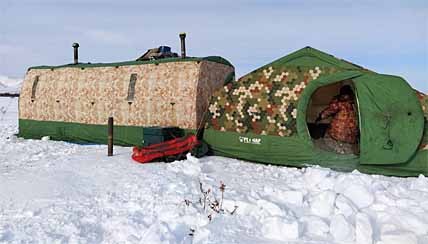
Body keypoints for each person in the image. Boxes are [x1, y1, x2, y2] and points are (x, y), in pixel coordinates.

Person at [315, 85, 358, 154]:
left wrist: (319, 118)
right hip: (351, 136)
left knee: (327, 134)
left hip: (337, 133)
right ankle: (345, 146)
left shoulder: (338, 102)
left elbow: (328, 111)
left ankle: (337, 148)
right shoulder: (355, 102)